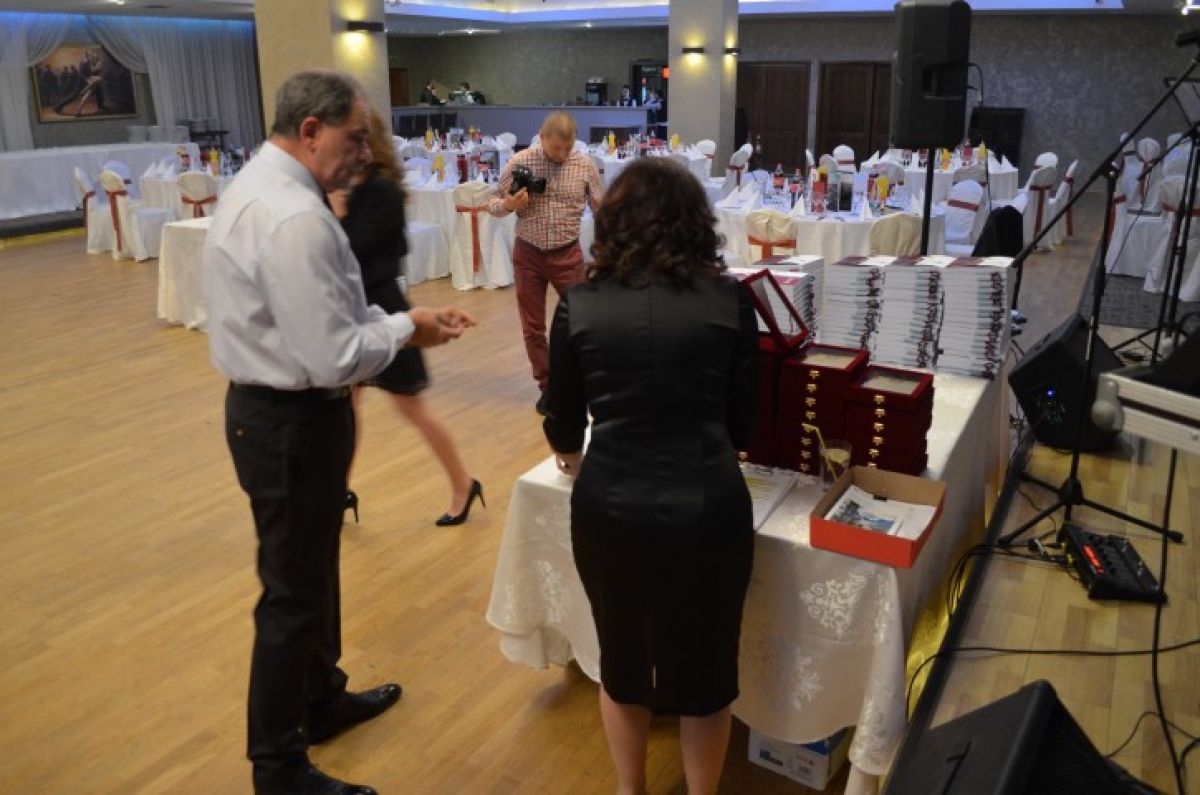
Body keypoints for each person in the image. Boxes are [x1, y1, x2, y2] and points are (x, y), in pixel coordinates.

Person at [204, 69, 475, 795]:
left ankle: (321, 698)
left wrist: (398, 323)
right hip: (289, 420)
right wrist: (406, 327)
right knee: (291, 595)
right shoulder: (294, 216)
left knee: (313, 572)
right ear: (311, 130)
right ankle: (278, 768)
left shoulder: (259, 187)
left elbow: (328, 319)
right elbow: (333, 353)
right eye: (355, 139)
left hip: (276, 414)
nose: (364, 154)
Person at [542, 157, 760, 795]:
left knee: (623, 662)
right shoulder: (729, 300)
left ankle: (630, 788)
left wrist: (572, 454)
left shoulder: (579, 304)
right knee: (707, 672)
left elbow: (562, 422)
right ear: (697, 224)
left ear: (612, 222)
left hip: (610, 504)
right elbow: (743, 425)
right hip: (708, 504)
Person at [330, 107, 483, 527]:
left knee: (411, 405)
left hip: (383, 307)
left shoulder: (380, 190)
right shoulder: (360, 187)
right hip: (355, 307)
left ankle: (462, 483)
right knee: (349, 405)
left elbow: (351, 251)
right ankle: (339, 489)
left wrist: (337, 211)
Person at [487, 111, 603, 414]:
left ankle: (583, 383)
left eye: (568, 148)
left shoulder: (585, 165)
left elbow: (601, 209)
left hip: (568, 255)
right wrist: (508, 204)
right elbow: (492, 204)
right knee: (533, 327)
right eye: (556, 149)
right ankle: (547, 386)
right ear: (542, 138)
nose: (562, 155)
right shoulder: (520, 161)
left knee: (582, 322)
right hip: (528, 254)